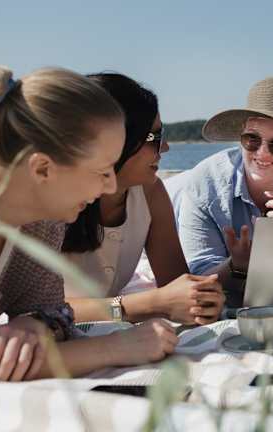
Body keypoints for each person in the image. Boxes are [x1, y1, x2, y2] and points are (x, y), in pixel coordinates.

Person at [0, 58, 178, 381]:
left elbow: (56, 312)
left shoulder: (41, 220)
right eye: (102, 171)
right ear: (42, 169)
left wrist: (33, 324)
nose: (110, 186)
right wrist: (113, 348)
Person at [61, 73, 224, 325]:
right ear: (114, 141)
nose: (165, 147)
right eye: (154, 137)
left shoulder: (150, 192)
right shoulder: (52, 202)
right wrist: (149, 304)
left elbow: (175, 286)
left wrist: (201, 300)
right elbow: (43, 312)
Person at [167, 77, 273, 308]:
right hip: (166, 205)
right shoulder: (204, 184)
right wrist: (237, 266)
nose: (262, 153)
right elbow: (200, 278)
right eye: (252, 139)